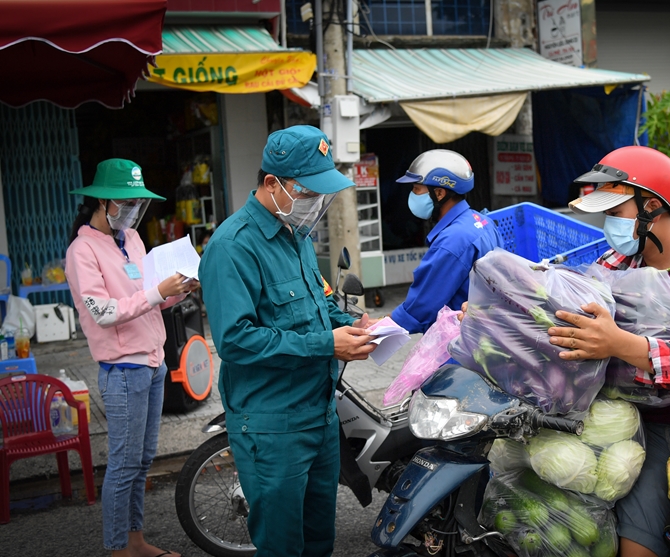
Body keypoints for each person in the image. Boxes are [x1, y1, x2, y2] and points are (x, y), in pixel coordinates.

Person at [549, 146, 670, 557]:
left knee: (633, 550)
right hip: (607, 411)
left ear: (652, 206)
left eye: (615, 211)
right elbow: (566, 307)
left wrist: (619, 343)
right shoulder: (614, 262)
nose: (608, 224)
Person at [198, 125, 377, 557]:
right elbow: (236, 340)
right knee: (281, 545)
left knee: (319, 540)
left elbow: (317, 306)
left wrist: (352, 326)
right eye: (308, 192)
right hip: (272, 424)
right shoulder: (232, 246)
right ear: (272, 184)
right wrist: (326, 344)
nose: (315, 203)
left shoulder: (296, 237)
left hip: (319, 415)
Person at [65, 158, 197, 557]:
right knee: (123, 466)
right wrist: (159, 292)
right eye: (128, 202)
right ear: (102, 202)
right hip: (123, 369)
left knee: (141, 462)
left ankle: (135, 541)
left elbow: (148, 301)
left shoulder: (133, 241)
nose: (135, 210)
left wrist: (178, 291)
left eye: (139, 203)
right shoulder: (81, 251)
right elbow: (103, 312)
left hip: (154, 363)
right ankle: (118, 547)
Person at [390, 149, 503, 334]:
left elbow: (421, 306)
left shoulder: (453, 241)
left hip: (461, 342)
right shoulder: (482, 221)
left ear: (439, 193)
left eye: (416, 189)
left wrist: (382, 328)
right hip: (483, 333)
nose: (412, 194)